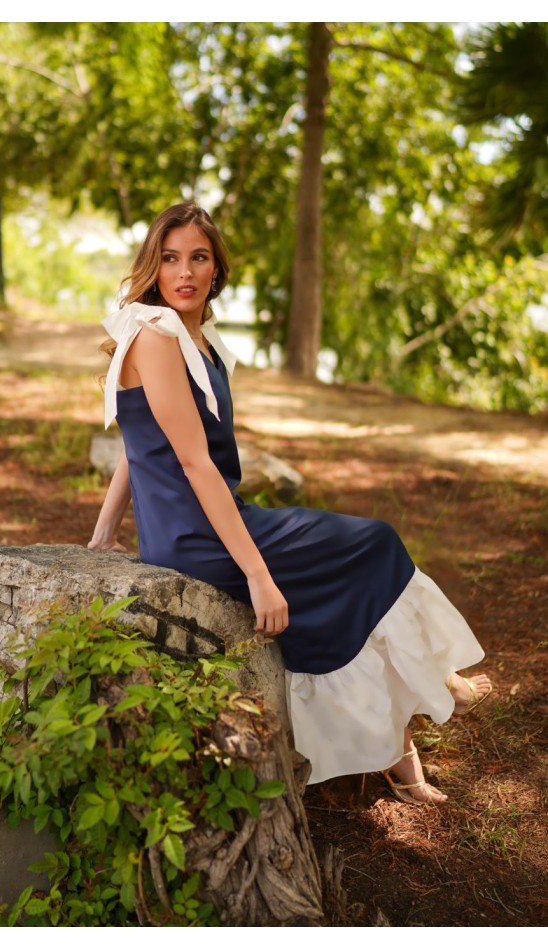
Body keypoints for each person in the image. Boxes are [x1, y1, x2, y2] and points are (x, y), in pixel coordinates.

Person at [88, 202, 492, 804]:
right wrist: (258, 574)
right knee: (372, 543)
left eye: (199, 257)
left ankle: (420, 719)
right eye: (170, 258)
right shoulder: (154, 335)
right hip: (199, 536)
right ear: (153, 264)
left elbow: (138, 445)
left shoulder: (196, 338)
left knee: (360, 559)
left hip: (207, 521)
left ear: (217, 270)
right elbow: (191, 462)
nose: (184, 272)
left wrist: (102, 536)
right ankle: (425, 709)